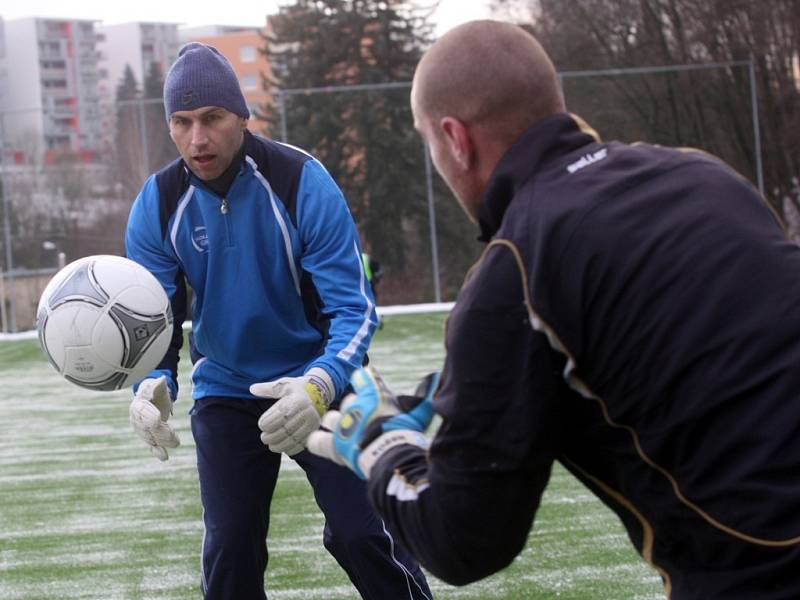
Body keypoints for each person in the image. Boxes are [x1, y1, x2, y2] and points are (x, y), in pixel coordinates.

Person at [307, 20, 800, 599]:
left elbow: (462, 542)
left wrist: (381, 447)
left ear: (455, 139)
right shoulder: (704, 174)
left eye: (430, 145)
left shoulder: (514, 270)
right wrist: (469, 382)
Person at [124, 42, 432, 600]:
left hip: (320, 377)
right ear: (169, 125)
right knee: (231, 546)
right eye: (182, 121)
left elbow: (353, 310)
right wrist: (156, 382)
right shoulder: (159, 203)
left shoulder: (301, 182)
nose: (198, 138)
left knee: (365, 533)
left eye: (213, 118)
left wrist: (321, 383)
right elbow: (156, 320)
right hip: (226, 386)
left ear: (243, 115)